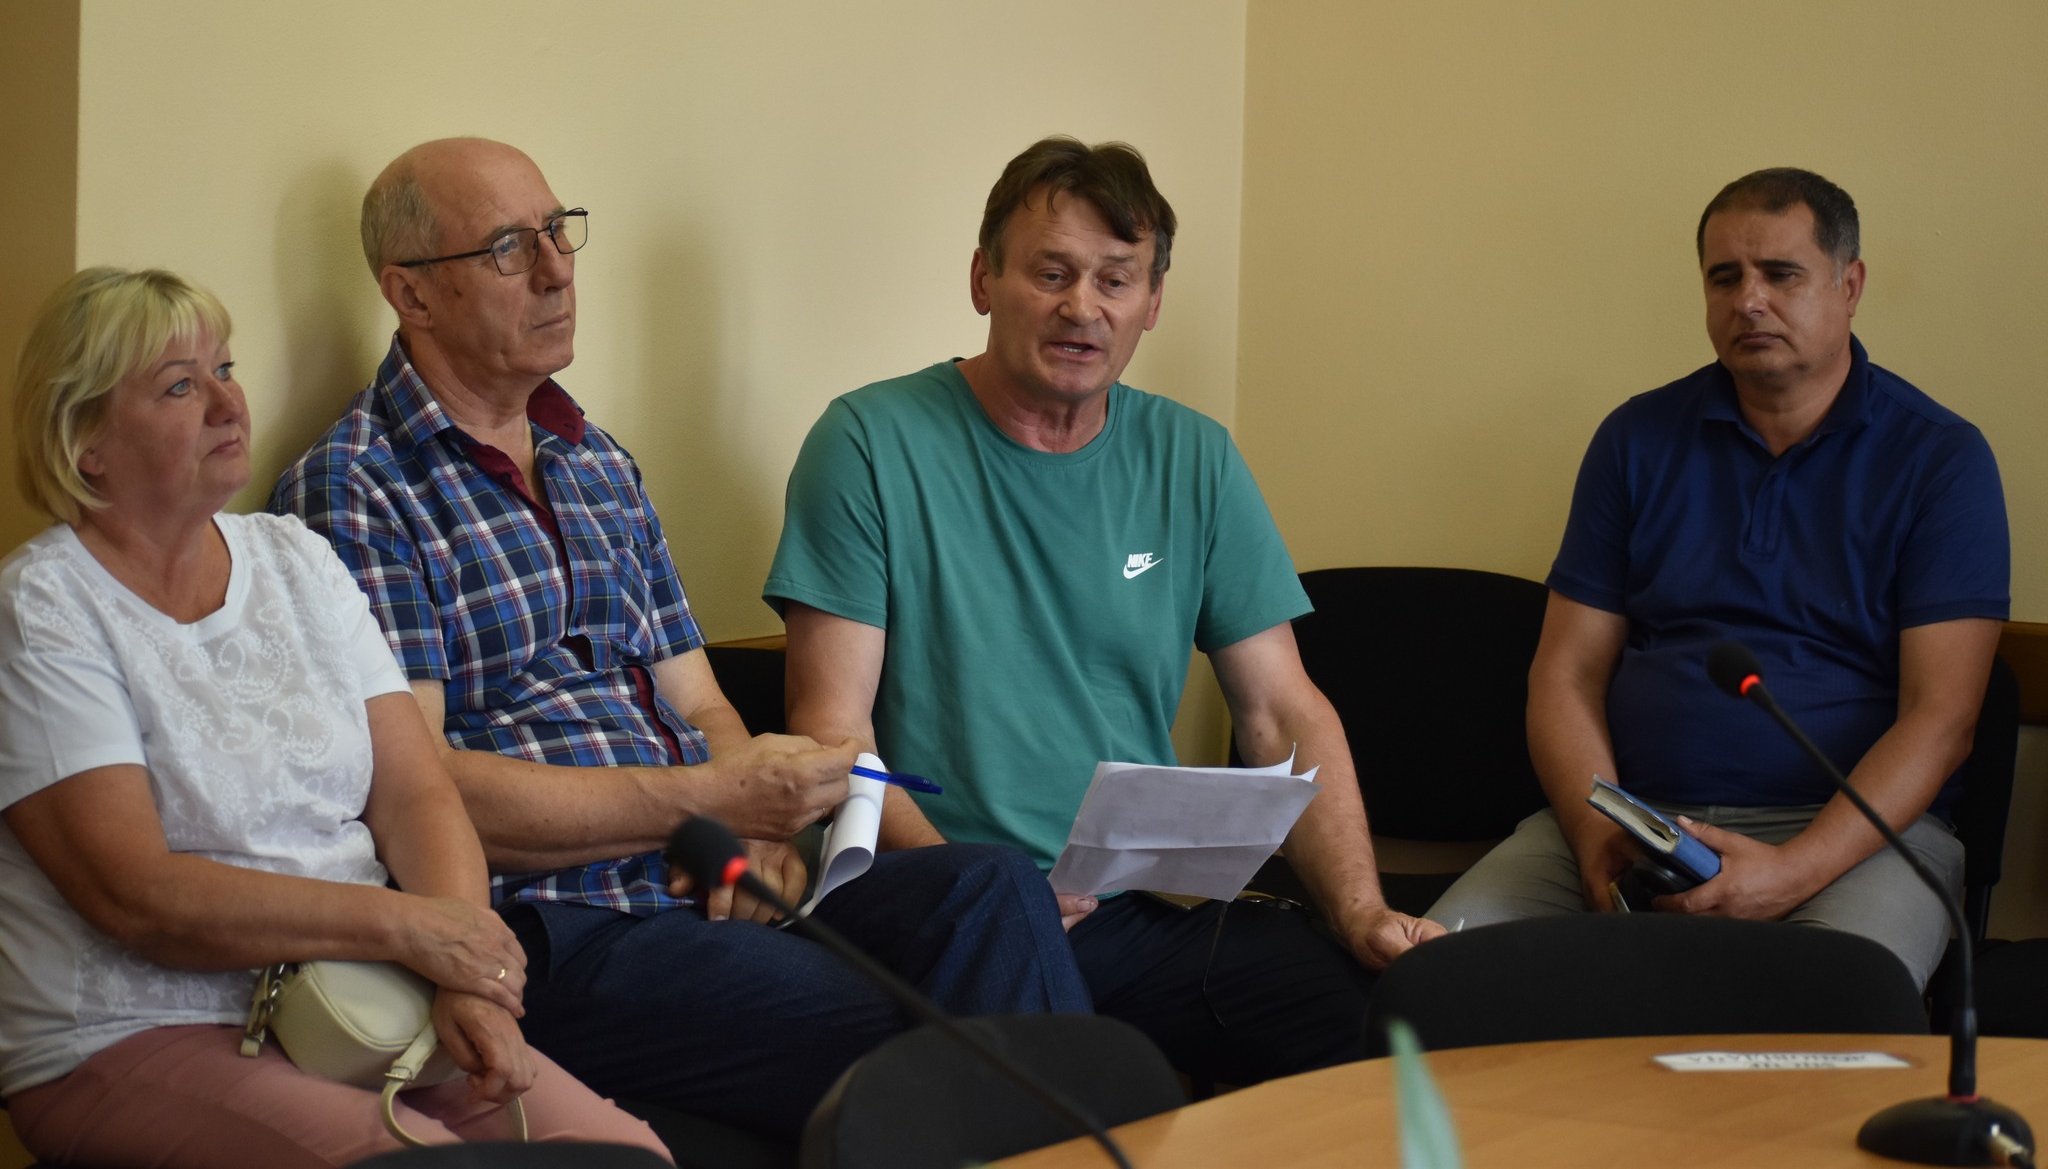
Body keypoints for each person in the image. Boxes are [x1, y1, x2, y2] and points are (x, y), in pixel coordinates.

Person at [271, 138, 1087, 1143]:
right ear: (412, 294)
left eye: (558, 231)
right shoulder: (356, 487)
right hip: (563, 922)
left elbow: (701, 704)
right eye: (508, 248)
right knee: (916, 1033)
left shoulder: (598, 464)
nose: (557, 268)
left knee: (993, 891)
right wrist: (708, 802)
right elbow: (419, 784)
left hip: (703, 874)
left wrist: (754, 832)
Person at [766, 136, 1442, 1086]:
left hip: (1139, 909)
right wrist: (1003, 901)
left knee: (1380, 1024)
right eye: (1051, 273)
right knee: (1079, 1081)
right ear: (983, 279)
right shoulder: (868, 440)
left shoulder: (1196, 457)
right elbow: (835, 733)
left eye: (1116, 280)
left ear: (1152, 302)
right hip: (947, 903)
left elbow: (1282, 709)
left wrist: (1362, 911)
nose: (1083, 308)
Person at [0, 268, 667, 1168]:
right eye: (180, 386)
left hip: (361, 1004)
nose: (229, 403)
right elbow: (136, 894)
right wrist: (407, 929)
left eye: (225, 368)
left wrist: (467, 982)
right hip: (136, 1029)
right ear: (85, 442)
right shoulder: (43, 607)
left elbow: (418, 796)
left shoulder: (296, 559)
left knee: (630, 1156)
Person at [1426, 167, 2009, 989]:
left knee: (1833, 1006)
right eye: (1724, 277)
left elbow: (1943, 719)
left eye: (1781, 274)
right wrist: (1598, 834)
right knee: (1432, 980)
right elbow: (1565, 673)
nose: (1749, 301)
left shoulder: (1941, 459)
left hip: (1855, 839)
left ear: (1849, 286)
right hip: (1635, 819)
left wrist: (1793, 870)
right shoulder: (1635, 439)